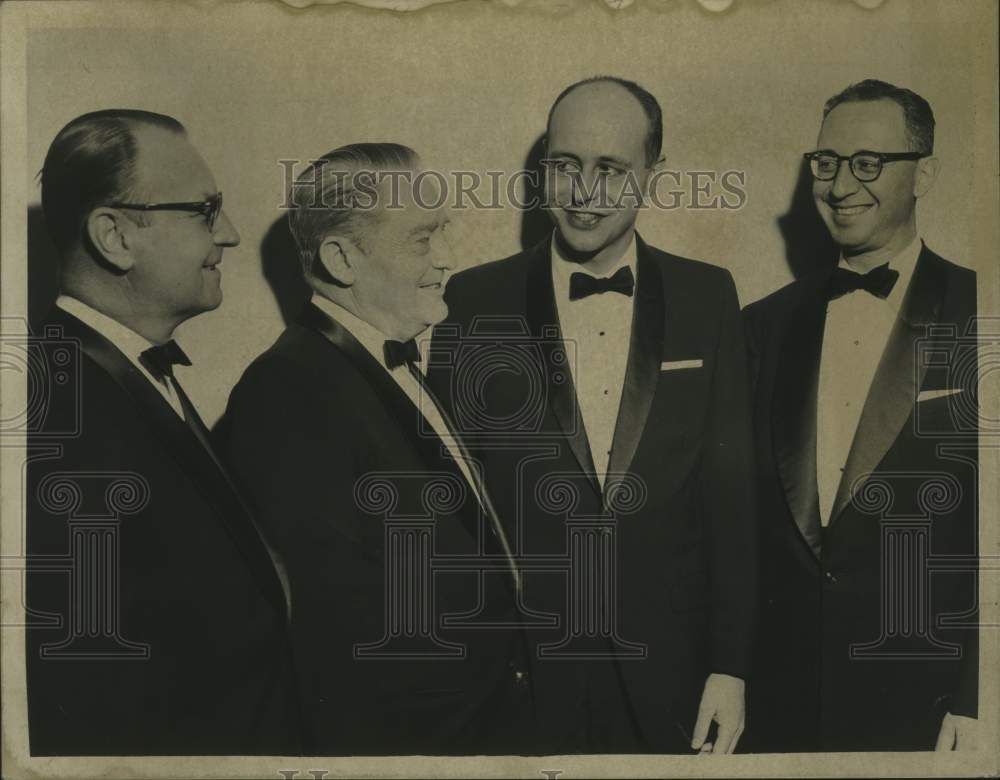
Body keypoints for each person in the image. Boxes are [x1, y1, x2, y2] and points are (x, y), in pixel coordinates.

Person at [428, 76, 758, 754]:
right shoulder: (471, 298)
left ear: (653, 175)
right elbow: (451, 510)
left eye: (611, 170)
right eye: (566, 165)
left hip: (676, 673)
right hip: (525, 672)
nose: (583, 193)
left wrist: (731, 666)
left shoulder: (708, 296)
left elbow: (732, 497)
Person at [221, 143, 529, 755]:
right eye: (422, 240)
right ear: (341, 259)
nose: (448, 259)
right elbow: (334, 644)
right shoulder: (288, 389)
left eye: (443, 234)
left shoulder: (395, 366)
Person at [26, 109, 302, 755]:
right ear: (114, 236)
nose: (229, 234)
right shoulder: (57, 419)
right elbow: (92, 695)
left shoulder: (126, 377)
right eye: (206, 210)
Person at [743, 79, 979, 751]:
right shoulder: (762, 325)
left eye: (868, 162)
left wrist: (978, 696)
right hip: (779, 703)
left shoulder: (980, 310)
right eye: (827, 163)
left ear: (924, 173)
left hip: (925, 706)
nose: (842, 185)